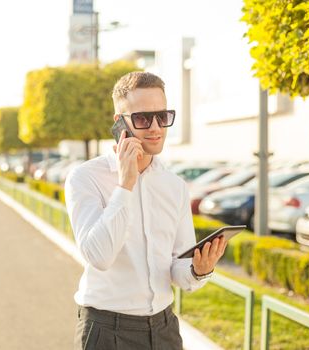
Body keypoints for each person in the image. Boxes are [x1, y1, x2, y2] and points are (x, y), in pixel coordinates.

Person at [64, 71, 227, 350]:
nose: (155, 127)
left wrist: (200, 270)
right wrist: (125, 185)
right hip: (106, 330)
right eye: (142, 118)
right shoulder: (84, 178)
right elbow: (99, 257)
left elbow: (177, 269)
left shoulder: (174, 186)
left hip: (164, 329)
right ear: (120, 123)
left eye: (162, 117)